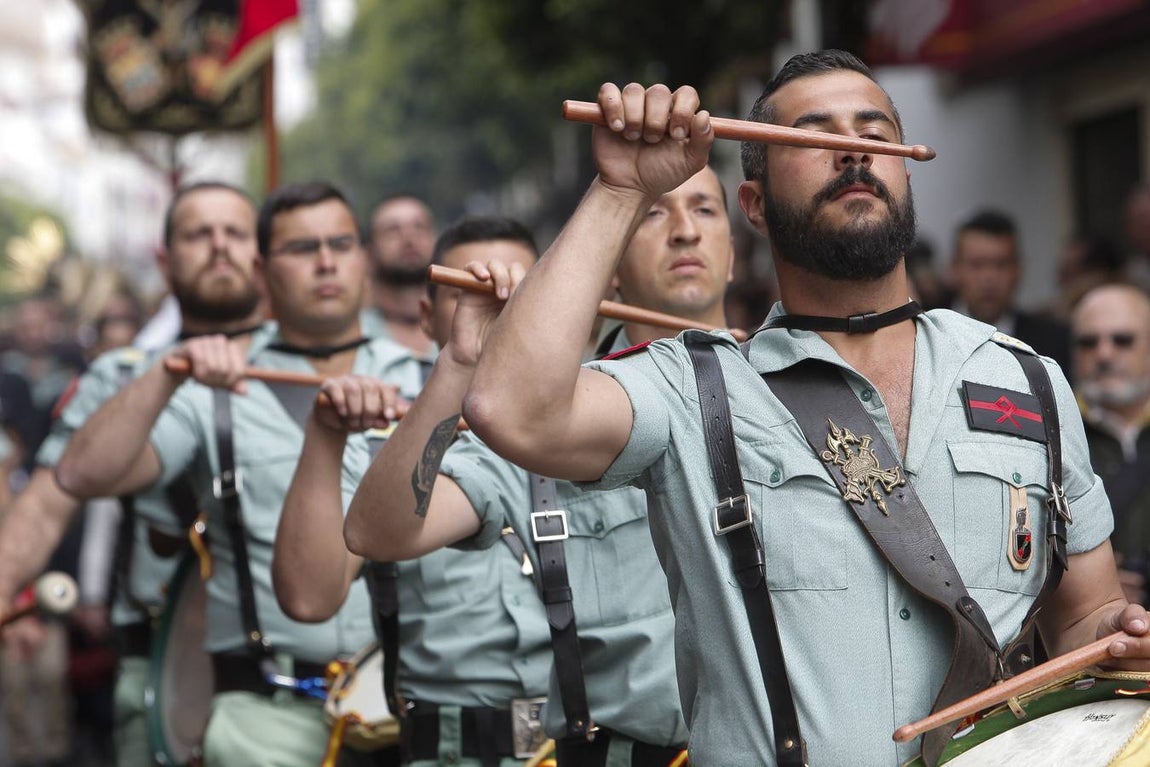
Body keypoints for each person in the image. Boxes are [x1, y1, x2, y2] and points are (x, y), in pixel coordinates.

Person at [460, 50, 1150, 766]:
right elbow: (511, 409)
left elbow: (1085, 618)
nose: (854, 151)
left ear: (906, 172)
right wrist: (621, 188)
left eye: (875, 134)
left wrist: (1119, 636)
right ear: (754, 204)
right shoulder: (693, 389)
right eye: (814, 137)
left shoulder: (1024, 378)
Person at [345, 167, 733, 766]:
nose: (686, 231)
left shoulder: (790, 393)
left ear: (737, 243)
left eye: (706, 208)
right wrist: (461, 360)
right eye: (653, 213)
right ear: (607, 267)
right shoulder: (544, 425)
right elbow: (379, 530)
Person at [56, 181, 424, 767]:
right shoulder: (216, 383)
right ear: (260, 270)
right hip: (263, 719)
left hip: (412, 711)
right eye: (301, 248)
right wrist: (169, 372)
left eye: (340, 244)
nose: (326, 263)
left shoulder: (424, 380)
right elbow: (81, 475)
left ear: (363, 258)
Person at [0, 181, 266, 767]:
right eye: (199, 234)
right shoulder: (117, 376)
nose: (219, 246)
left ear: (261, 256)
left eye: (235, 233)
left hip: (295, 684)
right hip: (160, 671)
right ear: (164, 262)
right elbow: (50, 498)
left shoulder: (315, 369)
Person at [274, 216, 552, 767]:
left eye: (523, 289)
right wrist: (326, 435)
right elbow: (308, 597)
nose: (499, 306)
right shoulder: (382, 447)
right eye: (472, 290)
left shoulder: (597, 429)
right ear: (426, 317)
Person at [1072, 283, 1150, 606]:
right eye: (1088, 342)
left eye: (1123, 340)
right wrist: (1093, 588)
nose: (1104, 354)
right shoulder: (1050, 429)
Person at [948, 209, 1072, 374]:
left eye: (1001, 265)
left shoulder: (1052, 344)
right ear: (955, 268)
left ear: (1018, 269)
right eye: (977, 265)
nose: (989, 277)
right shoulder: (930, 337)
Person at [362, 195, 438, 359]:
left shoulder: (459, 328)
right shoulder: (354, 334)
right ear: (368, 253)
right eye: (393, 230)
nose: (409, 238)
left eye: (419, 227)